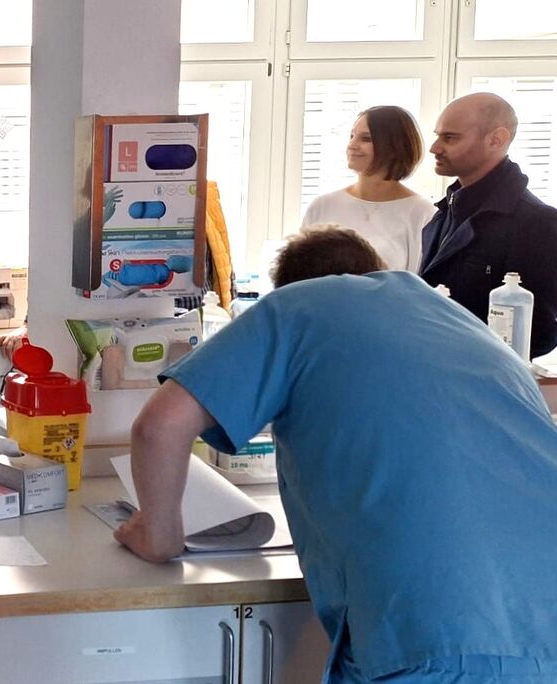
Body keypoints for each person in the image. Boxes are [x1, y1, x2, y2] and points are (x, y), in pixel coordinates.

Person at [115, 226, 557, 682]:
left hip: (438, 629)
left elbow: (159, 426)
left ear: (287, 286)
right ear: (377, 273)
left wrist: (160, 536)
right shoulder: (452, 318)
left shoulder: (296, 307)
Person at [420, 92, 557, 356]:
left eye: (450, 138)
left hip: (482, 374)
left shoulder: (537, 223)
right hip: (433, 365)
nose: (435, 148)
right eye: (437, 136)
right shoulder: (443, 212)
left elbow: (538, 333)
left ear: (496, 139)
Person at [299, 106, 436, 272]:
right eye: (352, 136)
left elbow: (419, 282)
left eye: (365, 139)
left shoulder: (422, 213)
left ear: (395, 146)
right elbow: (299, 273)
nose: (352, 145)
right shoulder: (322, 206)